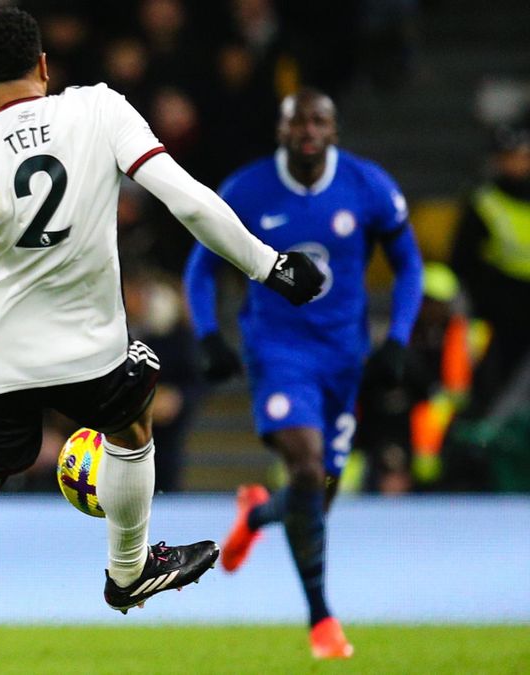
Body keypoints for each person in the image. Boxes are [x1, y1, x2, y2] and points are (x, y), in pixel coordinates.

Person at [0, 9, 324, 674]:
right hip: (95, 359)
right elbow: (188, 200)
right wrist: (271, 266)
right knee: (132, 424)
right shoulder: (101, 110)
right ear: (44, 65)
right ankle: (130, 569)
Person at [183, 88, 424, 659]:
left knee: (313, 496)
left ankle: (256, 512)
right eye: (298, 122)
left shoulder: (369, 187)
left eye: (319, 121)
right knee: (309, 468)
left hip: (344, 357)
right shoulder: (246, 190)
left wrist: (397, 342)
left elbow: (410, 263)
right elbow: (201, 268)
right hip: (279, 351)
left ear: (334, 131)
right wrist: (210, 335)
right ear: (282, 131)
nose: (309, 131)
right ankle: (322, 620)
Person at [449, 118, 530, 419]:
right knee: (490, 388)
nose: (517, 164)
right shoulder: (484, 201)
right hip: (497, 315)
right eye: (509, 156)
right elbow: (462, 260)